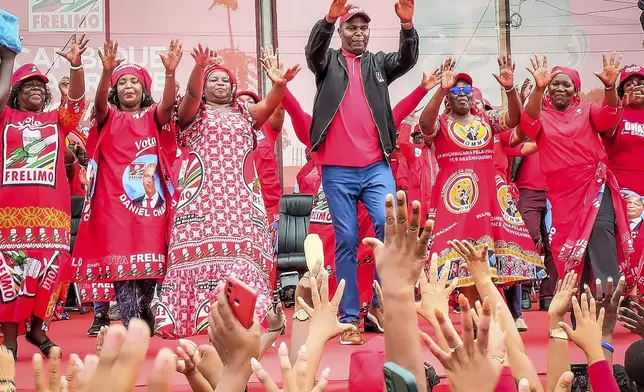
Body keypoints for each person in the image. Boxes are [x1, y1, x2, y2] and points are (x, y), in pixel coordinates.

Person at [154, 46, 299, 339]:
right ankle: (195, 319)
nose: (220, 85)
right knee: (197, 253)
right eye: (213, 81)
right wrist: (198, 68)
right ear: (204, 88)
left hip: (242, 198)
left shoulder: (245, 114)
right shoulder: (192, 113)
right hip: (202, 198)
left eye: (225, 81)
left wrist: (279, 85)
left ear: (233, 88)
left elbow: (269, 106)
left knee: (246, 253)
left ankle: (245, 316)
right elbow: (191, 97)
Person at [305, 0, 419, 344]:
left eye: (363, 28)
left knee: (389, 227)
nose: (358, 33)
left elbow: (407, 59)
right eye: (351, 27)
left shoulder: (378, 64)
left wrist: (408, 26)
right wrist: (327, 19)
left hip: (375, 166)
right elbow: (313, 51)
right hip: (337, 171)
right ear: (341, 31)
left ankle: (389, 304)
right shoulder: (328, 63)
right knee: (346, 240)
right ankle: (350, 318)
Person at [73, 39, 181, 333]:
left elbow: (169, 105)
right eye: (122, 82)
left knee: (148, 264)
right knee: (121, 265)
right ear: (114, 89)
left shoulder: (152, 117)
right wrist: (106, 71)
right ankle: (130, 321)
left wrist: (170, 74)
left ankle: (144, 309)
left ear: (145, 89)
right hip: (113, 205)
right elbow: (97, 104)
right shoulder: (108, 116)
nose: (128, 87)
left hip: (149, 205)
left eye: (135, 82)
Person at [418, 56, 542, 307]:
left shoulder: (487, 121)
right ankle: (471, 316)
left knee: (487, 259)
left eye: (466, 90)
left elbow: (515, 119)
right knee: (460, 259)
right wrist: (441, 90)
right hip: (456, 200)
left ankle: (489, 315)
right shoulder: (441, 123)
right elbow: (424, 123)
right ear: (448, 98)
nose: (462, 94)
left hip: (488, 198)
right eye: (455, 90)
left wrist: (509, 89)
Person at [0, 34, 88, 359]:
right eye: (27, 86)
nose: (35, 89)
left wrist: (76, 65)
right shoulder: (3, 118)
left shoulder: (57, 121)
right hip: (9, 215)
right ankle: (8, 340)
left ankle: (38, 330)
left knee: (48, 273)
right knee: (10, 274)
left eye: (39, 86)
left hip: (52, 215)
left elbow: (77, 102)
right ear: (15, 94)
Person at [520, 53, 633, 294]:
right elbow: (527, 123)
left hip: (594, 184)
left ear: (575, 89)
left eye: (566, 84)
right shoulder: (542, 117)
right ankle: (578, 304)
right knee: (568, 252)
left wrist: (610, 86)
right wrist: (537, 90)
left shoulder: (588, 109)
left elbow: (608, 119)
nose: (560, 88)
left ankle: (607, 299)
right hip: (562, 196)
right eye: (554, 84)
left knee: (601, 231)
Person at [235, 90, 285, 224]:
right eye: (241, 103)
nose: (246, 105)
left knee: (272, 243)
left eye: (251, 103)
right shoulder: (227, 133)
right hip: (240, 205)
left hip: (269, 204)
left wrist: (278, 85)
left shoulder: (268, 128)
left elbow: (279, 107)